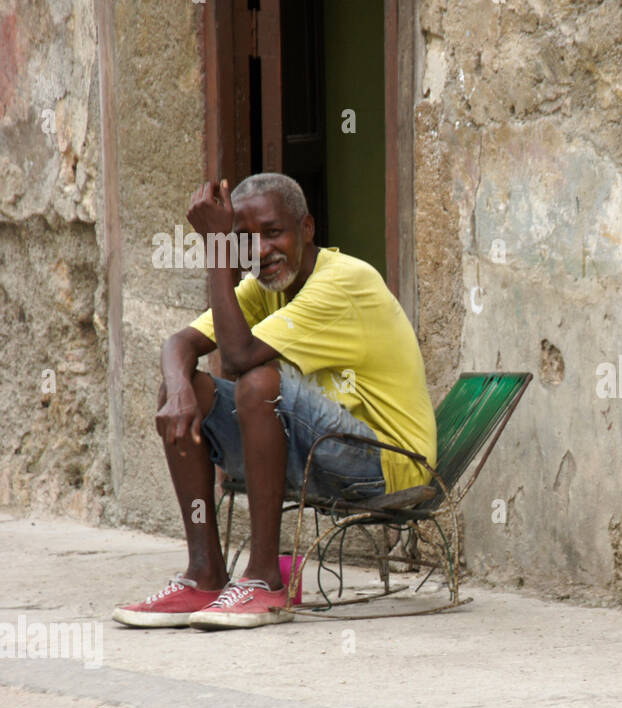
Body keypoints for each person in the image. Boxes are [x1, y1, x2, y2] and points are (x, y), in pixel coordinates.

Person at [113, 173, 436, 630]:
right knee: (183, 387)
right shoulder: (268, 289)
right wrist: (180, 389)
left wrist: (217, 252)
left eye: (272, 232)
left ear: (306, 229)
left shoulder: (343, 281)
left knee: (260, 382)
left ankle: (264, 580)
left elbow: (241, 357)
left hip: (385, 464)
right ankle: (205, 575)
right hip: (319, 458)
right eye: (243, 240)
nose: (260, 251)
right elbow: (179, 344)